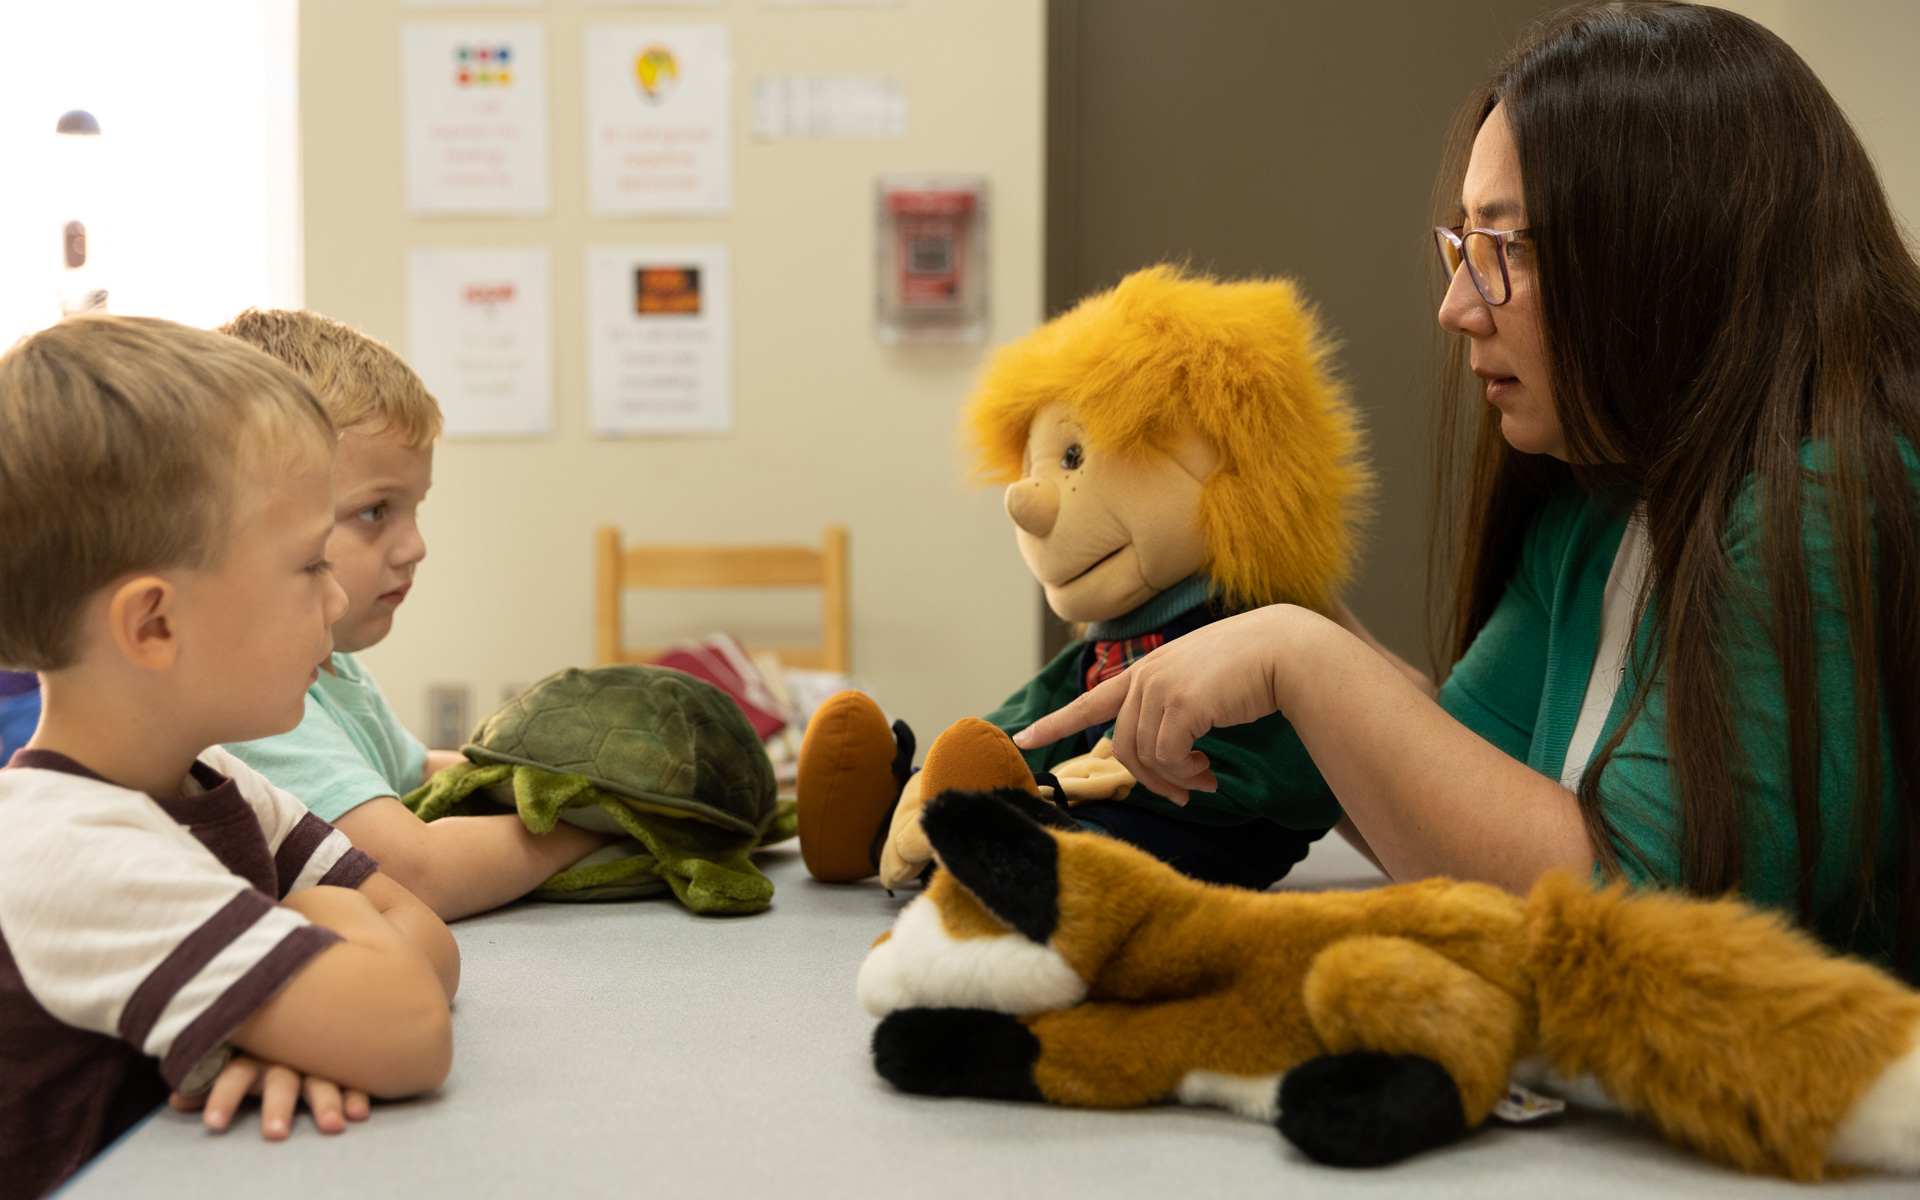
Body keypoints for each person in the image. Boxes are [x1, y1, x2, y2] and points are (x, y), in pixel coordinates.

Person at [1016, 0, 1920, 975]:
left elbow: (1634, 922)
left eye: (1504, 253)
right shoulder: (1592, 510)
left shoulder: (1829, 501)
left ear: (1670, 249)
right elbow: (1459, 798)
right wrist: (1254, 607)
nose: (1455, 309)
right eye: (1463, 249)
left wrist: (1303, 658)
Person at [0, 315, 459, 1198]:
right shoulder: (67, 850)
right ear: (154, 624)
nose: (334, 600)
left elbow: (431, 946)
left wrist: (298, 1011)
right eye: (306, 568)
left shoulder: (217, 781)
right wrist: (327, 935)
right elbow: (408, 1029)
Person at [217, 310, 608, 920]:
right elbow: (417, 874)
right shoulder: (251, 701)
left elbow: (416, 771)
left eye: (413, 509)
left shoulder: (335, 668)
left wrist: (580, 779)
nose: (415, 546)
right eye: (376, 511)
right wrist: (601, 824)